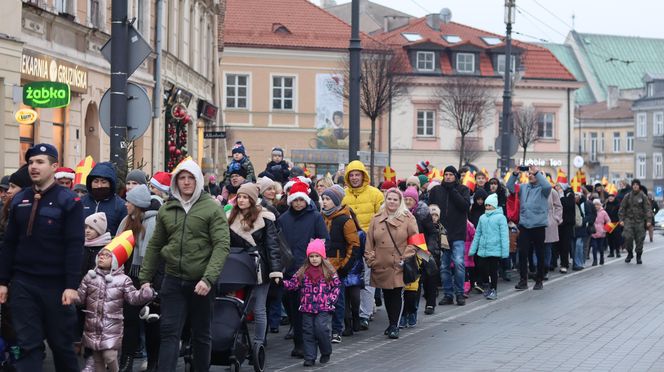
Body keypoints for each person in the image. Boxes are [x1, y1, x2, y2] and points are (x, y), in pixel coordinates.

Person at [139, 158, 230, 372]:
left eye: (191, 178)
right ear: (176, 182)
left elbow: (221, 245)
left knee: (201, 334)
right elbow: (155, 245)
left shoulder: (211, 208)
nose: (186, 182)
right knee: (169, 332)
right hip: (172, 280)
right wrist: (145, 278)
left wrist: (208, 279)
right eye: (182, 178)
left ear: (198, 180)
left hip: (201, 282)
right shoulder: (167, 209)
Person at [0, 143, 84, 372]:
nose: (33, 167)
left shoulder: (69, 201)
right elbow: (9, 244)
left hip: (56, 287)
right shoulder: (19, 200)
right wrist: (3, 281)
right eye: (31, 162)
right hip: (23, 285)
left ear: (54, 166)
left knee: (62, 347)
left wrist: (71, 285)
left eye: (40, 162)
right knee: (29, 346)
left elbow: (75, 245)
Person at [77, 236, 155, 372]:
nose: (101, 256)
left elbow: (133, 297)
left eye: (107, 255)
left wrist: (145, 293)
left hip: (111, 326)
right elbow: (80, 298)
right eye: (100, 254)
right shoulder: (90, 277)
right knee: (98, 359)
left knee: (110, 356)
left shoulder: (123, 280)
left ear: (115, 261)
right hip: (92, 326)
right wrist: (70, 294)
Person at [278, 179, 329, 358]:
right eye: (295, 200)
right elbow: (278, 244)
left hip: (311, 271)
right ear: (290, 200)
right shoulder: (283, 219)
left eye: (301, 200)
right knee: (294, 310)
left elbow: (324, 240)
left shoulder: (315, 217)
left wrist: (315, 253)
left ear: (306, 200)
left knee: (309, 311)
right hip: (291, 271)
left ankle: (311, 344)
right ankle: (299, 343)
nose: (298, 203)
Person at [228, 183, 281, 349]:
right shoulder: (230, 216)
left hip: (259, 266)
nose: (242, 200)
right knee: (236, 306)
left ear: (252, 199)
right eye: (240, 197)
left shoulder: (264, 217)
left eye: (245, 197)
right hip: (238, 266)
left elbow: (272, 245)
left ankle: (259, 343)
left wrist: (275, 270)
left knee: (259, 308)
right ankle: (237, 343)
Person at [114, 184, 159, 370]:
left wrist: (148, 278)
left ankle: (153, 363)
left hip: (149, 278)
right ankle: (127, 361)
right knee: (130, 321)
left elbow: (153, 252)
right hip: (129, 278)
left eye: (129, 201)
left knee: (151, 322)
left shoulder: (154, 222)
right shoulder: (126, 221)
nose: (126, 205)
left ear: (137, 204)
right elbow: (117, 245)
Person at [364, 188, 419, 339]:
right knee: (386, 294)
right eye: (389, 199)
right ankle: (391, 323)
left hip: (398, 263)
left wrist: (405, 257)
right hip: (380, 263)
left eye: (395, 199)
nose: (392, 202)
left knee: (396, 294)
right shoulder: (376, 218)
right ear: (385, 200)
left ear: (400, 201)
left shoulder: (408, 217)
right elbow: (369, 241)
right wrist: (370, 259)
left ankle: (394, 325)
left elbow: (416, 241)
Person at [283, 239, 340, 367]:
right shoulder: (303, 271)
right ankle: (310, 357)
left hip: (323, 307)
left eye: (317, 256)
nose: (314, 259)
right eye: (311, 256)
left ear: (322, 256)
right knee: (308, 332)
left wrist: (330, 300)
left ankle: (326, 351)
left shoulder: (329, 271)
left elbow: (336, 287)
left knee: (321, 330)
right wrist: (281, 282)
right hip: (307, 308)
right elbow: (293, 284)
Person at [341, 160, 384, 330]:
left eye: (357, 174)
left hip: (369, 242)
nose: (354, 178)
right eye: (351, 175)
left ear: (363, 175)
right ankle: (351, 313)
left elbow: (382, 218)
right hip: (349, 244)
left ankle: (364, 314)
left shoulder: (375, 194)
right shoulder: (343, 195)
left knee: (368, 279)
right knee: (349, 280)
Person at [320, 185, 359, 342]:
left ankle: (337, 329)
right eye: (323, 199)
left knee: (338, 300)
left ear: (335, 201)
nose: (324, 202)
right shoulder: (321, 217)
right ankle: (323, 329)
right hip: (320, 265)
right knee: (321, 299)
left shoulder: (345, 220)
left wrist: (344, 267)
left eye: (328, 199)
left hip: (337, 266)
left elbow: (354, 245)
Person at [428, 166, 470, 306]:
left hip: (458, 233)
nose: (447, 177)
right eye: (445, 174)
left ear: (456, 176)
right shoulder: (436, 190)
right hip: (443, 234)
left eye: (451, 174)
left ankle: (459, 293)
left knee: (458, 263)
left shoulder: (463, 189)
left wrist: (452, 190)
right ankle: (448, 294)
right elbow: (431, 208)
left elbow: (464, 206)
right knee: (445, 265)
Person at [507, 166, 551, 291]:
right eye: (529, 174)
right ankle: (523, 280)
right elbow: (510, 187)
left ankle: (539, 280)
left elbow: (548, 186)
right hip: (525, 225)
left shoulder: (544, 189)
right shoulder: (523, 187)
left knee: (540, 253)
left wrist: (537, 172)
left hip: (539, 226)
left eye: (533, 174)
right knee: (522, 253)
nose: (530, 176)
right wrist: (515, 174)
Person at [403, 187, 439, 316]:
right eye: (405, 199)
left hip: (421, 248)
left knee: (430, 274)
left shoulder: (423, 214)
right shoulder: (400, 214)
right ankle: (411, 310)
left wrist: (429, 249)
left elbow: (432, 233)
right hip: (407, 248)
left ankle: (430, 302)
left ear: (416, 201)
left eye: (410, 199)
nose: (408, 202)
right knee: (413, 278)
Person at [469, 194, 509, 300]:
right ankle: (486, 285)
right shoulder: (482, 217)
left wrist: (505, 251)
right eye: (486, 205)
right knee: (482, 267)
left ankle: (493, 289)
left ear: (494, 206)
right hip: (483, 249)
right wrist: (473, 249)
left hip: (495, 249)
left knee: (493, 270)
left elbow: (504, 235)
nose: (487, 207)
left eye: (489, 205)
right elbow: (477, 234)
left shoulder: (501, 218)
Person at [82, 162, 128, 236]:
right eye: (96, 181)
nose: (99, 185)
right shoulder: (81, 202)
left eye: (104, 182)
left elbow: (125, 234)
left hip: (110, 246)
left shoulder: (120, 205)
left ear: (111, 184)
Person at [619, 179, 653, 264]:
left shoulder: (643, 196)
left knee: (640, 239)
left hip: (640, 221)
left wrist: (648, 220)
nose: (635, 186)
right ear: (632, 186)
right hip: (629, 221)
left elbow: (648, 209)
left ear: (639, 186)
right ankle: (630, 253)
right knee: (628, 237)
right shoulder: (628, 196)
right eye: (633, 185)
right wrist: (621, 219)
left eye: (637, 185)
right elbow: (622, 208)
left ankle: (638, 256)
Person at [556, 186, 576, 273]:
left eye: (559, 186)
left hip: (567, 224)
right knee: (556, 245)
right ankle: (553, 263)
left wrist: (561, 196)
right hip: (557, 223)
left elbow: (567, 205)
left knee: (565, 245)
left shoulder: (570, 195)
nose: (557, 188)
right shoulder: (554, 193)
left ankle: (564, 264)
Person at [590, 199, 611, 266]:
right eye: (594, 205)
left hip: (601, 233)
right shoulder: (591, 212)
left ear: (600, 205)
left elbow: (609, 221)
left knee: (600, 247)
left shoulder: (603, 212)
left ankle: (602, 258)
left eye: (597, 204)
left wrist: (605, 230)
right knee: (594, 247)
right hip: (593, 232)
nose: (596, 206)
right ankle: (595, 260)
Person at [604, 192, 622, 258]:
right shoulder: (606, 204)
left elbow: (620, 213)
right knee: (609, 238)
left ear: (614, 198)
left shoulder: (618, 205)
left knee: (616, 238)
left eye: (612, 197)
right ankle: (611, 252)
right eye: (609, 197)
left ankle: (617, 252)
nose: (610, 198)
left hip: (616, 222)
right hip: (608, 223)